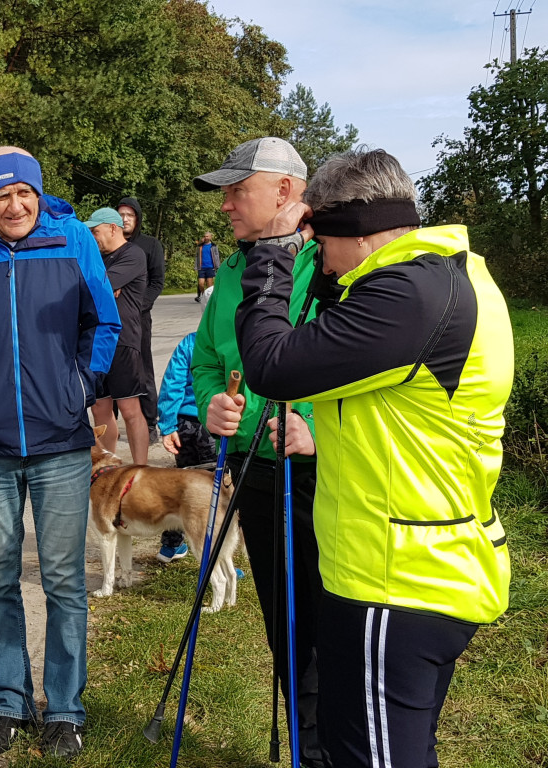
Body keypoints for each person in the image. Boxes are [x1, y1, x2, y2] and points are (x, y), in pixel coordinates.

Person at [234, 148, 513, 768]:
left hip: (401, 582)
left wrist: (274, 257)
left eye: (318, 238)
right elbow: (395, 418)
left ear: (352, 230)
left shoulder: (409, 295)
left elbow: (272, 365)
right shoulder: (435, 279)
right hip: (398, 566)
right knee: (360, 747)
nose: (316, 255)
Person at [0, 146, 120, 760]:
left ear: (39, 193)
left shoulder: (73, 243)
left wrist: (82, 387)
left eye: (24, 193)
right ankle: (9, 702)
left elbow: (104, 322)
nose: (15, 205)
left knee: (64, 580)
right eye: (1, 195)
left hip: (62, 442)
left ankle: (64, 708)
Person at [189, 137, 327, 768]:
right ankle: (307, 746)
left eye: (237, 190)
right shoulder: (233, 275)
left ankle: (338, 744)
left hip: (329, 473)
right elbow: (209, 359)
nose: (225, 205)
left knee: (334, 625)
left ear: (286, 191)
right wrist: (216, 402)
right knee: (287, 623)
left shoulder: (335, 257)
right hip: (255, 469)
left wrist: (319, 425)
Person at [85, 207, 150, 465]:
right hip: (98, 343)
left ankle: (141, 468)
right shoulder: (100, 259)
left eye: (96, 231)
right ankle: (108, 466)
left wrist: (99, 290)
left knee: (129, 409)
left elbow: (98, 287)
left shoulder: (133, 255)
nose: (93, 237)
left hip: (123, 341)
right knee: (100, 408)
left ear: (113, 227)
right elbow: (90, 288)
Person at [155, 331, 218, 562]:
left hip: (184, 426)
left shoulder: (190, 342)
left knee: (182, 487)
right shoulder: (227, 341)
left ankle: (170, 545)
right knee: (213, 491)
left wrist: (168, 424)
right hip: (212, 424)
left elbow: (172, 383)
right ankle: (214, 554)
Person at [118, 197, 165, 444]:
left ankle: (149, 423)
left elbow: (157, 282)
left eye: (130, 215)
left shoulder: (150, 245)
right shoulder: (107, 245)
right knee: (109, 371)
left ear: (137, 218)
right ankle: (112, 425)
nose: (125, 219)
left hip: (138, 319)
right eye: (121, 214)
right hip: (111, 319)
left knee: (143, 369)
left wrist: (137, 307)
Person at [195, 231, 219, 302]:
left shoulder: (213, 246)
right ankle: (203, 295)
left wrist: (217, 266)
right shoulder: (200, 246)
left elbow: (217, 256)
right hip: (201, 267)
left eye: (207, 236)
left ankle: (209, 298)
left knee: (209, 285)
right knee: (201, 283)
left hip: (210, 267)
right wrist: (196, 266)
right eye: (204, 236)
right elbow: (196, 255)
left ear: (210, 237)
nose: (206, 238)